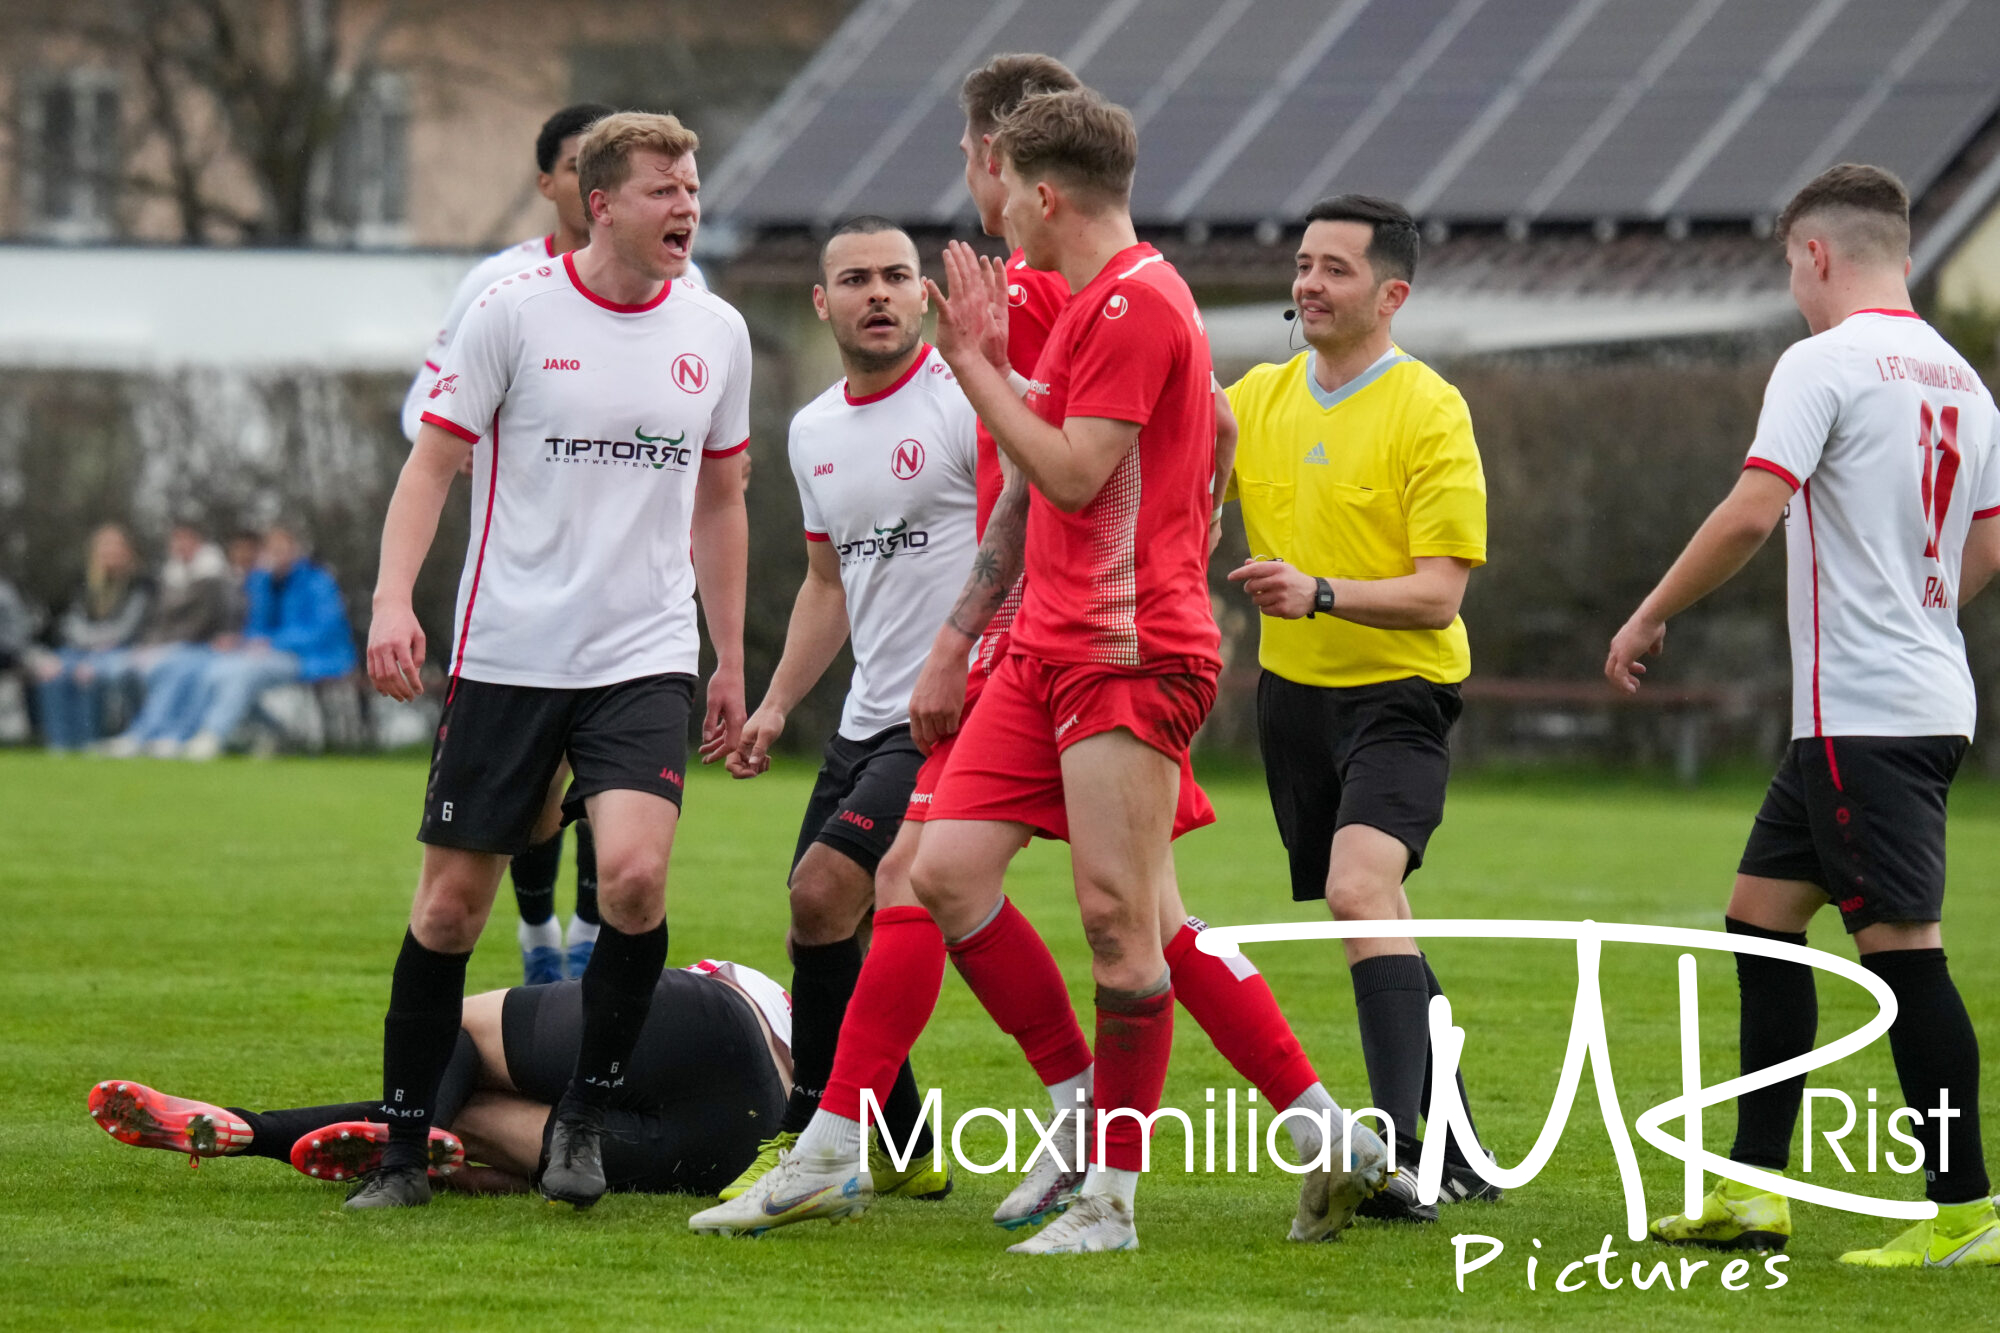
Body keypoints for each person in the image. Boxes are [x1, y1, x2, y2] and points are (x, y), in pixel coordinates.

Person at [695, 58, 1383, 1250]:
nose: (985, 197)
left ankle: (1096, 1185)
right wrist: (981, 624)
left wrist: (974, 380)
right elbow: (1121, 451)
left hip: (1119, 649)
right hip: (1040, 644)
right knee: (953, 876)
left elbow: (1067, 467)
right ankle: (1315, 1132)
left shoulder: (1103, 298)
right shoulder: (1080, 289)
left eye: (995, 172)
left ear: (1024, 180)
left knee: (1121, 921)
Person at [1610, 163, 2000, 1269]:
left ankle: (1963, 1208)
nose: (1791, 285)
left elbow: (1748, 511)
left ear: (1816, 254)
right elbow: (1983, 548)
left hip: (1861, 717)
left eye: (1789, 265)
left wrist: (1646, 615)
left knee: (1903, 956)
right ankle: (1750, 1191)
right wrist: (1908, 610)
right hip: (1909, 699)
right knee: (1758, 920)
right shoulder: (1962, 382)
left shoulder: (1820, 362)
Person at [359, 111, 750, 1212]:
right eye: (663, 190)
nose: (686, 207)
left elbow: (723, 500)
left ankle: (581, 1109)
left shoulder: (717, 330)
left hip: (645, 652)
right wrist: (394, 601)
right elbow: (429, 469)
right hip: (510, 652)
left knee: (630, 875)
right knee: (448, 912)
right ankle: (400, 1150)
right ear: (600, 203)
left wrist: (725, 659)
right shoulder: (511, 315)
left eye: (692, 186)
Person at [1221, 195, 1495, 1222]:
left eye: (1333, 268)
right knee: (1380, 916)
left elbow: (1438, 592)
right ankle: (1458, 1142)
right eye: (1301, 264)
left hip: (1398, 694)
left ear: (1390, 294)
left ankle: (1402, 1155)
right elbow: (1152, 444)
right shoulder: (1253, 396)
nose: (1307, 284)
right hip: (1291, 701)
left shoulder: (1429, 409)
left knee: (1356, 890)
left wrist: (1320, 591)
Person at [711, 216, 972, 1204]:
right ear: (820, 302)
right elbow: (828, 583)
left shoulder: (962, 404)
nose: (877, 293)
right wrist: (777, 704)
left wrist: (962, 658)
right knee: (819, 928)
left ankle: (810, 1135)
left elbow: (1020, 540)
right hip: (863, 719)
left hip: (948, 713)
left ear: (921, 295)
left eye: (895, 277)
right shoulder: (814, 429)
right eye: (855, 278)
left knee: (822, 894)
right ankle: (905, 1141)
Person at [87, 958, 792, 1198]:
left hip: (712, 1021)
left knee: (452, 1030)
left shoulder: (751, 986)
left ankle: (262, 1129)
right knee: (473, 1123)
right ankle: (247, 1132)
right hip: (728, 1143)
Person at [168, 524, 356, 761]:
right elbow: (255, 628)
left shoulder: (317, 581)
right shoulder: (261, 584)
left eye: (282, 549)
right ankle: (272, 732)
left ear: (295, 550)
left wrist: (273, 642)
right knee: (214, 670)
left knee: (244, 673)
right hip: (269, 654)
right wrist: (241, 642)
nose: (277, 556)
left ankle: (212, 736)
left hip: (313, 656)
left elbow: (324, 629)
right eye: (272, 550)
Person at [99, 522, 237, 757]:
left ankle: (154, 734)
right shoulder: (168, 577)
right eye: (176, 540)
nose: (180, 545)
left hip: (201, 648)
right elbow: (155, 620)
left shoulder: (213, 577)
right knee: (123, 668)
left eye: (186, 539)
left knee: (176, 669)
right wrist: (149, 646)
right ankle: (145, 733)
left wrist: (164, 648)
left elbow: (202, 624)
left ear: (198, 542)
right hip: (168, 647)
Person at [28, 523, 153, 752]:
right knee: (52, 672)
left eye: (115, 546)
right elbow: (69, 623)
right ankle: (59, 745)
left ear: (128, 551)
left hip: (118, 651)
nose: (110, 552)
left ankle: (90, 742)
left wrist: (93, 650)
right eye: (105, 546)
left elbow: (127, 628)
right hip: (79, 649)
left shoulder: (140, 584)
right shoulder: (82, 583)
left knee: (91, 674)